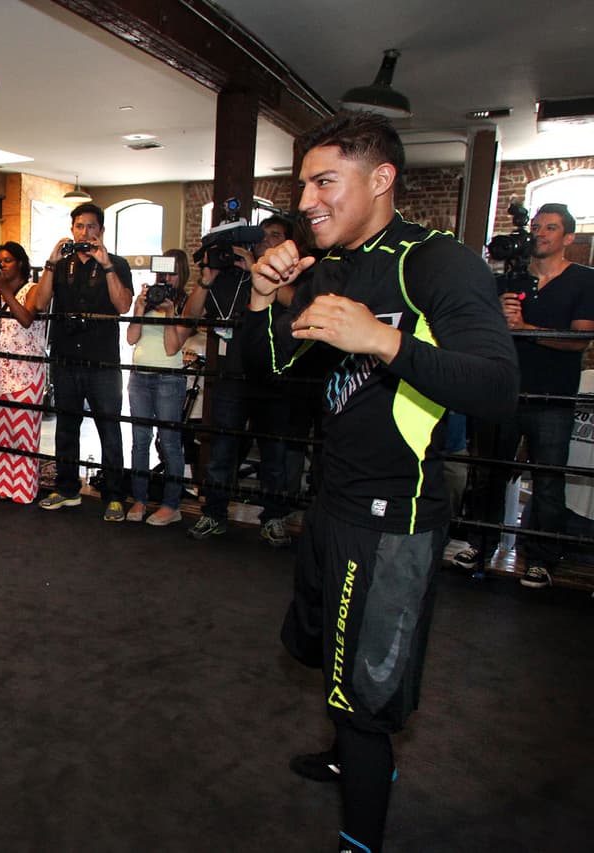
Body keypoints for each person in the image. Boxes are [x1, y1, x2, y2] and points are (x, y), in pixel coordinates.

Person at [244, 111, 518, 853]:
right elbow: (271, 369)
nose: (307, 199)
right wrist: (269, 301)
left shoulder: (436, 262)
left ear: (381, 178)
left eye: (324, 181)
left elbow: (498, 385)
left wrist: (384, 340)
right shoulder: (330, 266)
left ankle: (360, 838)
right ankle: (343, 756)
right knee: (328, 652)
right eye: (304, 183)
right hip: (331, 499)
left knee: (366, 697)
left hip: (396, 517)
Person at [455, 202, 594, 588]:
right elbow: (478, 333)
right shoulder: (508, 281)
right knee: (489, 474)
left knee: (548, 479)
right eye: (537, 226)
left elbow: (580, 339)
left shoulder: (584, 280)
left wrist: (525, 327)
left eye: (550, 227)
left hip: (553, 398)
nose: (540, 233)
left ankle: (542, 558)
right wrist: (495, 319)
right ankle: (479, 544)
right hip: (503, 392)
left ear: (568, 237)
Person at [182, 228, 294, 547]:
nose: (265, 243)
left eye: (271, 238)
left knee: (274, 451)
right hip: (233, 375)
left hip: (272, 375)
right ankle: (214, 514)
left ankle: (273, 517)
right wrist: (207, 277)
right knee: (221, 450)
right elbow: (190, 316)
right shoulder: (225, 277)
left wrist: (259, 268)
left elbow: (295, 302)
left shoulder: (280, 272)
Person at [32, 202, 133, 520]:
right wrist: (50, 263)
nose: (85, 232)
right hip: (65, 358)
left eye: (91, 227)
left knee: (109, 429)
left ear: (101, 231)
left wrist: (107, 267)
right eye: (79, 226)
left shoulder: (116, 263)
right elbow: (39, 302)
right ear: (71, 230)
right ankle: (66, 489)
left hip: (102, 362)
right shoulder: (61, 265)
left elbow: (123, 305)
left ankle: (115, 496)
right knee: (66, 427)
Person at [0, 241, 47, 503]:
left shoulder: (33, 290)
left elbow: (27, 319)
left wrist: (4, 290)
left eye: (7, 260)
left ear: (21, 263)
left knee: (23, 435)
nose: (2, 265)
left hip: (25, 373)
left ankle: (23, 489)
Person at [125, 248, 191, 525]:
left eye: (172, 272)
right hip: (139, 376)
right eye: (162, 271)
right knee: (140, 441)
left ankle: (171, 505)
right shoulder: (148, 297)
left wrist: (171, 312)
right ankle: (139, 499)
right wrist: (140, 308)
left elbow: (171, 347)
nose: (166, 278)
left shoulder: (187, 303)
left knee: (170, 443)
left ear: (182, 274)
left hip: (168, 377)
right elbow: (130, 338)